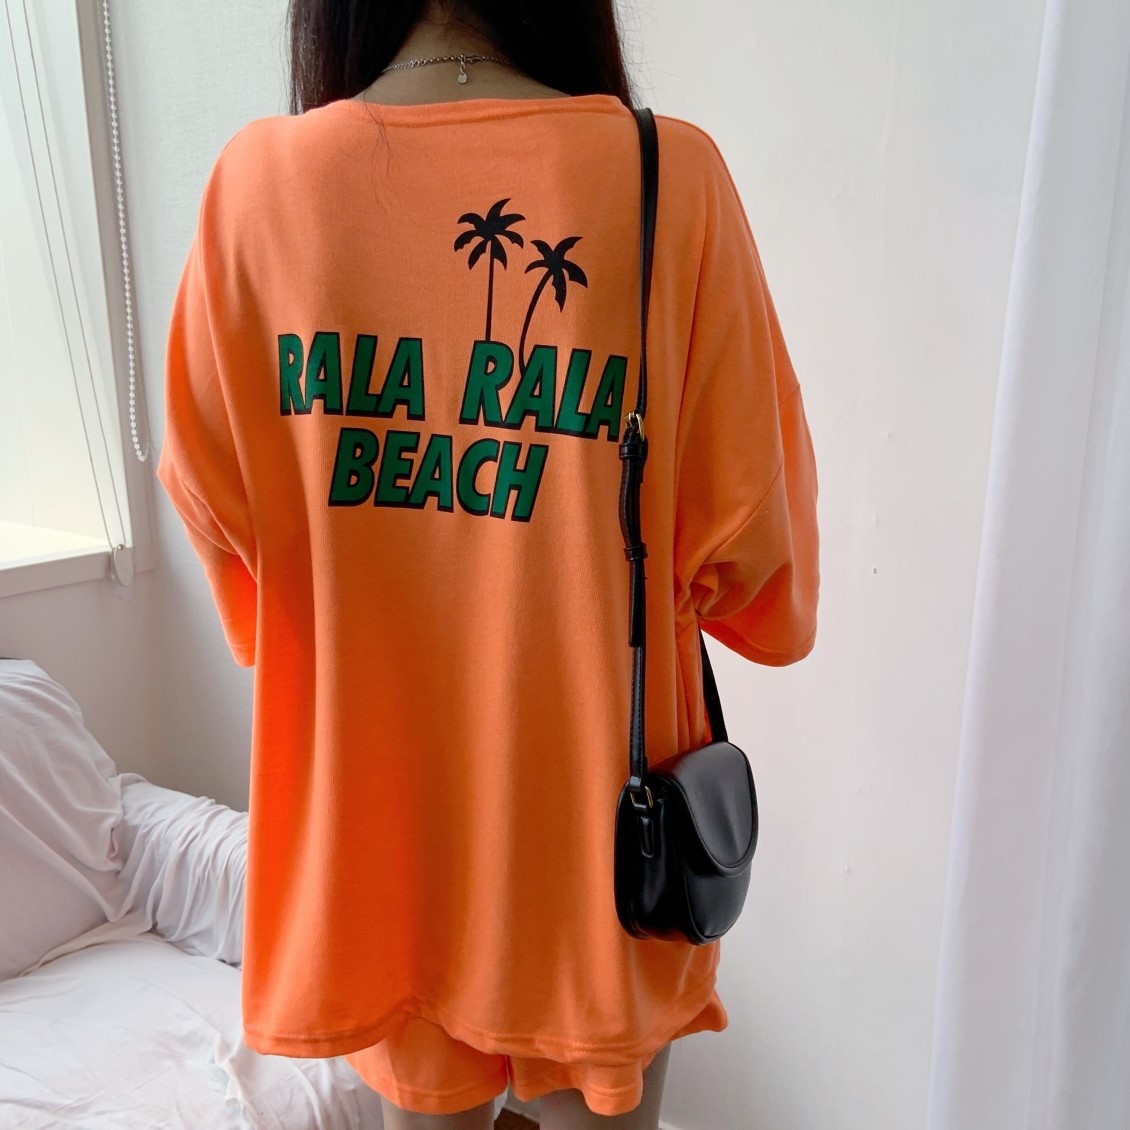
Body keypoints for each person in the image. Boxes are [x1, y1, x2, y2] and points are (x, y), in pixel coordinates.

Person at [155, 0, 821, 1127]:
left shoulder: (256, 187)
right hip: (603, 852)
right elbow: (757, 551)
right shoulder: (669, 177)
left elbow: (219, 509)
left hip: (385, 838)